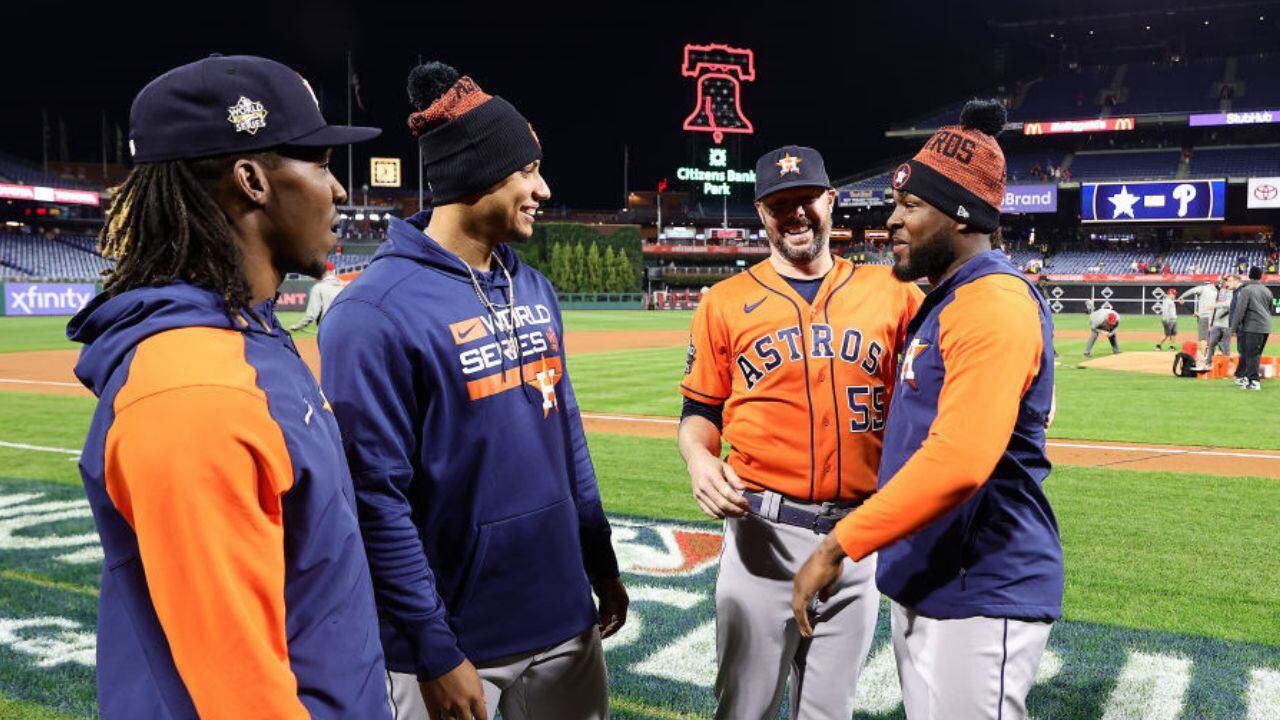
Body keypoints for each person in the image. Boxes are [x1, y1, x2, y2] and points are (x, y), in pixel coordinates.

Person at [66, 55, 389, 718]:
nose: (337, 191)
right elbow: (242, 697)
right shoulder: (193, 393)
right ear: (252, 180)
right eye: (320, 164)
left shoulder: (248, 334)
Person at [318, 61, 627, 720]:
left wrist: (598, 561)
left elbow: (565, 434)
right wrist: (434, 652)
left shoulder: (535, 288)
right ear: (476, 172)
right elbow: (376, 500)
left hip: (565, 626)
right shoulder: (373, 311)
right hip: (458, 650)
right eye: (528, 170)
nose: (543, 189)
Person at [791, 99, 1062, 720]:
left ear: (962, 216)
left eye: (911, 206)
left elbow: (960, 461)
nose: (892, 220)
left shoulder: (992, 301)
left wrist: (838, 545)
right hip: (938, 577)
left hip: (981, 581)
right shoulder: (952, 297)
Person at [678, 145, 923, 719]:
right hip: (762, 532)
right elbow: (700, 412)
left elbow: (945, 371)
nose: (796, 214)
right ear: (761, 212)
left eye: (806, 199)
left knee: (829, 712)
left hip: (858, 537)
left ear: (830, 201)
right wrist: (697, 458)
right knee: (745, 710)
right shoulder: (724, 302)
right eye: (779, 203)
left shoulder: (895, 292)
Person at [1231, 266, 1274, 391]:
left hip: (1253, 326)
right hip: (1266, 326)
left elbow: (1240, 310)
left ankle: (1254, 381)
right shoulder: (1267, 290)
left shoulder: (1247, 290)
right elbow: (1270, 309)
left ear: (1249, 276)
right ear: (1261, 276)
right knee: (1255, 354)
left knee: (1250, 354)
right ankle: (1248, 378)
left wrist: (1233, 328)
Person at [288, 260, 344, 332]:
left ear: (324, 272)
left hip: (327, 329)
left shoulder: (318, 287)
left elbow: (312, 315)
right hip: (344, 328)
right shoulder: (344, 287)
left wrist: (298, 326)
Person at [1178, 280, 1217, 362]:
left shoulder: (1203, 288)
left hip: (1204, 316)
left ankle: (1203, 357)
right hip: (1214, 316)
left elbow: (1192, 291)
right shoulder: (1216, 291)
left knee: (1203, 338)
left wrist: (1181, 296)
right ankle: (1211, 355)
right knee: (1212, 336)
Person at [1207, 275, 1238, 366]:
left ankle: (1226, 365)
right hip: (1216, 323)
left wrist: (1216, 306)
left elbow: (1229, 305)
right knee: (1211, 344)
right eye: (1222, 281)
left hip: (1227, 324)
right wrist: (1211, 322)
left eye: (1226, 281)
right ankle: (1208, 362)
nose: (1223, 282)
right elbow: (1216, 308)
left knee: (1226, 346)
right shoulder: (1221, 292)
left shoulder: (1234, 292)